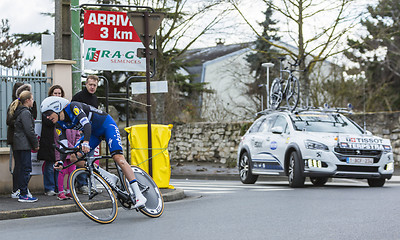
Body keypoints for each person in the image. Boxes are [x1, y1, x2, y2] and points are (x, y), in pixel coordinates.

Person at [40, 96, 147, 208]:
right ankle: (109, 176)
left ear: (57, 108)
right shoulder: (58, 125)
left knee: (118, 158)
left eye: (48, 113)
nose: (47, 117)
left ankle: (139, 195)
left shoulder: (73, 107)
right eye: (45, 115)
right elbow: (64, 146)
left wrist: (85, 142)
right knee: (74, 158)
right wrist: (61, 162)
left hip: (106, 125)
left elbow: (86, 125)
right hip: (94, 134)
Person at [9, 90, 39, 202]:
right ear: (27, 100)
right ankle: (23, 194)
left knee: (21, 169)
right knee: (26, 169)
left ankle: (21, 192)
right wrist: (35, 144)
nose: (33, 101)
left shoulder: (19, 111)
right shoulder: (25, 112)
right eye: (31, 99)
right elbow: (29, 130)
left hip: (18, 144)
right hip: (24, 144)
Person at [71, 75, 99, 194]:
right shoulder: (78, 97)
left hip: (91, 133)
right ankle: (81, 184)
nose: (92, 87)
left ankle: (90, 183)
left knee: (90, 159)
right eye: (90, 85)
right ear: (86, 84)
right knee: (80, 158)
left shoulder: (95, 99)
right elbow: (72, 114)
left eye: (95, 85)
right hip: (80, 132)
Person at [37, 85, 65, 196]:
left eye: (59, 93)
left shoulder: (63, 107)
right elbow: (50, 122)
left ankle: (58, 187)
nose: (57, 95)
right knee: (49, 166)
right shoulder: (46, 107)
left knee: (59, 165)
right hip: (48, 141)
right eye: (55, 93)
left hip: (59, 140)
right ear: (51, 94)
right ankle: (49, 188)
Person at [55, 129, 80, 200]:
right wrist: (72, 147)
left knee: (72, 172)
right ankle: (60, 192)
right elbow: (60, 138)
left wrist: (77, 145)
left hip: (73, 153)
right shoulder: (61, 125)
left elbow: (78, 136)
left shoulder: (74, 124)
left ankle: (69, 190)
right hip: (63, 151)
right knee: (62, 172)